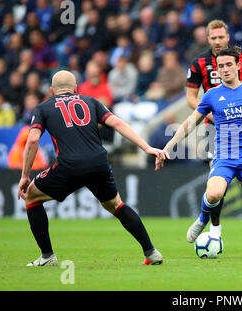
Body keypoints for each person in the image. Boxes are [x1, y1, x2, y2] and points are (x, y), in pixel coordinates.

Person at [17, 70, 168, 266]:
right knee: (116, 205)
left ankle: (47, 256)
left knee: (32, 197)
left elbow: (33, 140)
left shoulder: (43, 107)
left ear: (52, 91)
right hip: (99, 162)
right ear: (76, 88)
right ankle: (152, 252)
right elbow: (118, 123)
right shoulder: (91, 101)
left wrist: (25, 176)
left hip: (68, 165)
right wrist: (146, 147)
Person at [158, 47, 242, 258]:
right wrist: (167, 148)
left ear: (238, 66)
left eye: (229, 64)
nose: (225, 69)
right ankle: (203, 218)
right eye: (221, 66)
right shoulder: (212, 95)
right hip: (224, 158)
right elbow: (189, 124)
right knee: (213, 194)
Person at [184, 19, 242, 257]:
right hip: (215, 128)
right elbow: (191, 97)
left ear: (227, 36)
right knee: (217, 187)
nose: (217, 41)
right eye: (212, 38)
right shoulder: (199, 63)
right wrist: (211, 111)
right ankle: (215, 229)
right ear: (207, 39)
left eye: (220, 37)